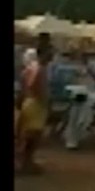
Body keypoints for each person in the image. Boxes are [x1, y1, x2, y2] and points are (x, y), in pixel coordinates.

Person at [16, 34, 53, 174]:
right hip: (36, 104)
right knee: (33, 137)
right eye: (50, 52)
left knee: (26, 136)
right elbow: (36, 87)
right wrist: (46, 102)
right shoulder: (40, 69)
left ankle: (25, 162)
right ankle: (25, 164)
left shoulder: (30, 68)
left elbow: (23, 85)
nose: (52, 55)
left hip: (29, 102)